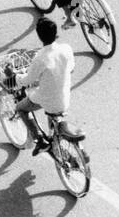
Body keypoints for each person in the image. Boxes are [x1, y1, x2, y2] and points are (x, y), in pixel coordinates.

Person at [13, 17, 75, 156]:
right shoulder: (66, 49)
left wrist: (15, 76)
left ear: (40, 37)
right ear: (56, 33)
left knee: (21, 108)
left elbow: (27, 80)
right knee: (51, 108)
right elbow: (71, 68)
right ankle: (54, 140)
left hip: (48, 100)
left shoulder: (40, 58)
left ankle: (40, 141)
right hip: (64, 97)